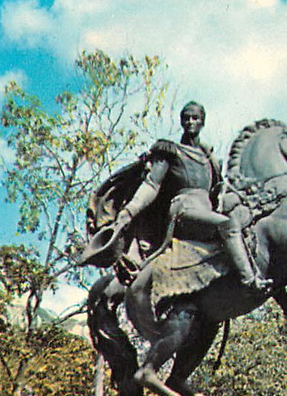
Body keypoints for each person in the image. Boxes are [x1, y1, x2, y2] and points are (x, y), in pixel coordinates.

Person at [109, 101, 272, 294]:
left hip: (206, 209)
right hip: (183, 211)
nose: (190, 122)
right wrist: (129, 212)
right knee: (227, 224)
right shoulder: (170, 150)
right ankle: (250, 281)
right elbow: (152, 184)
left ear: (203, 122)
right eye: (186, 118)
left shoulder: (210, 160)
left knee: (250, 222)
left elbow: (216, 193)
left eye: (195, 118)